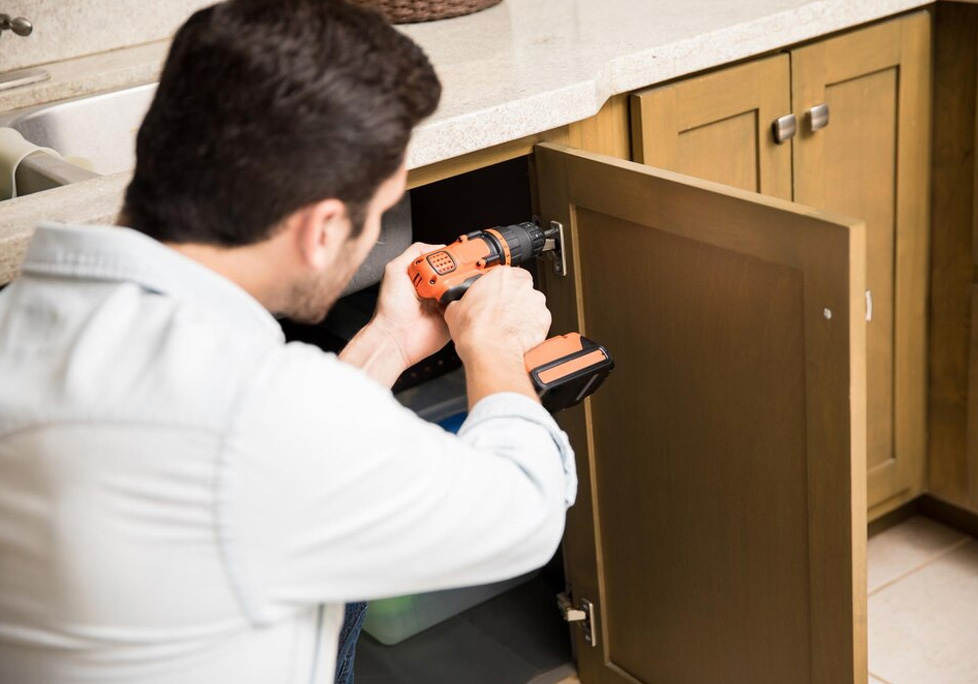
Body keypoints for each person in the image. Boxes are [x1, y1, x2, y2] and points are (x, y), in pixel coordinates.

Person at [0, 1, 577, 683]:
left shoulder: (27, 316)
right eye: (380, 209)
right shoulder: (258, 412)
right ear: (323, 229)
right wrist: (497, 353)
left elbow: (285, 450)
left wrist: (388, 341)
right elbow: (522, 513)